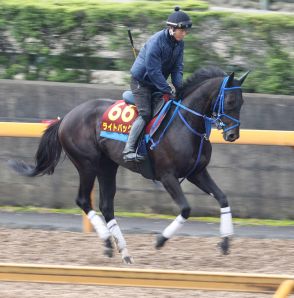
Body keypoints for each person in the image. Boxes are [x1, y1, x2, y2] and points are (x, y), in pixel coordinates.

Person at [123, 6, 192, 162]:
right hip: (141, 82)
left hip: (156, 82)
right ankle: (129, 149)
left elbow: (177, 67)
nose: (184, 33)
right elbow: (153, 71)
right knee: (146, 113)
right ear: (172, 28)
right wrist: (167, 89)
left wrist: (179, 87)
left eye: (186, 30)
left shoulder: (179, 43)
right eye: (182, 30)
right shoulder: (156, 42)